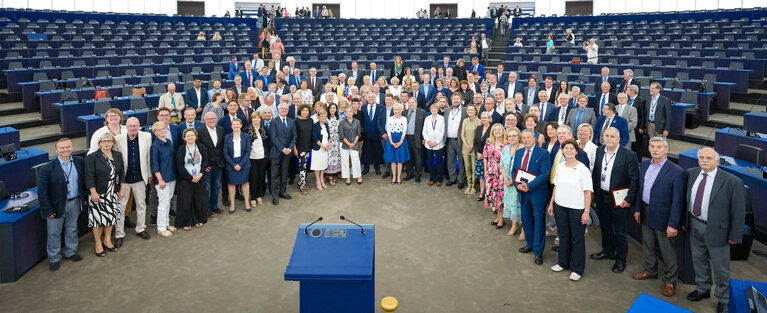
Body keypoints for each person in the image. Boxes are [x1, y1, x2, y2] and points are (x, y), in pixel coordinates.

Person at [685, 148, 747, 313]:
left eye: (709, 158)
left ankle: (723, 299)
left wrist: (735, 235)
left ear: (717, 161)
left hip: (718, 230)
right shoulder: (690, 174)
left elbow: (738, 212)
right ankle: (702, 288)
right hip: (694, 223)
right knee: (698, 260)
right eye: (701, 157)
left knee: (721, 268)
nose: (705, 160)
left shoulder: (732, 182)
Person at [632, 137, 686, 297]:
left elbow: (678, 202)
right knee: (648, 244)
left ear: (666, 150)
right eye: (652, 146)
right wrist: (637, 209)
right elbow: (640, 190)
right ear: (648, 148)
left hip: (665, 217)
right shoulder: (645, 165)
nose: (655, 149)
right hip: (645, 211)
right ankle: (650, 270)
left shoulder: (677, 172)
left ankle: (670, 281)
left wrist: (673, 224)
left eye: (659, 147)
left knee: (667, 250)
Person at [590, 127, 639, 274]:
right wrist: (593, 193)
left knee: (620, 231)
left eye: (612, 136)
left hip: (620, 199)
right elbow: (596, 173)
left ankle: (621, 260)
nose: (609, 138)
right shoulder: (599, 151)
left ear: (619, 139)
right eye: (607, 136)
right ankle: (608, 251)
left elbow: (634, 180)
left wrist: (629, 199)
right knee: (605, 227)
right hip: (602, 196)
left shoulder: (629, 155)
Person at [547, 139, 592, 281]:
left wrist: (586, 211)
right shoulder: (560, 167)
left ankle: (577, 269)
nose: (568, 151)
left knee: (577, 239)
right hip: (560, 206)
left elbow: (587, 193)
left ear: (576, 151)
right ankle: (562, 263)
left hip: (577, 209)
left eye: (571, 148)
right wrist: (551, 203)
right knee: (563, 236)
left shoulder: (582, 169)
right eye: (566, 148)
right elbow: (556, 186)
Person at [38, 138, 85, 271]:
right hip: (56, 205)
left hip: (75, 201)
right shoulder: (47, 168)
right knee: (54, 233)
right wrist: (47, 210)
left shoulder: (79, 162)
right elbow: (42, 192)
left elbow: (83, 182)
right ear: (56, 150)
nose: (65, 150)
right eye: (62, 148)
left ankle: (70, 252)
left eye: (68, 147)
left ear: (72, 147)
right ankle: (54, 258)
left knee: (72, 229)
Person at [513, 130, 552, 265]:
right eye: (523, 138)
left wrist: (529, 186)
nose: (526, 140)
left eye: (528, 137)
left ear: (534, 138)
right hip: (522, 193)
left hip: (537, 193)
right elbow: (514, 171)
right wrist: (517, 184)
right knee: (526, 220)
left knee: (539, 223)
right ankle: (529, 244)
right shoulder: (518, 153)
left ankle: (538, 251)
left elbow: (545, 174)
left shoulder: (543, 153)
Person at [84, 133, 125, 256]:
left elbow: (121, 173)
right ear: (99, 143)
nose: (106, 143)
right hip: (98, 193)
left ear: (113, 143)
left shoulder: (117, 155)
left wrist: (122, 188)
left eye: (109, 140)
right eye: (104, 141)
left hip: (113, 192)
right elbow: (89, 176)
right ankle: (98, 243)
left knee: (110, 217)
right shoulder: (92, 157)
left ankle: (107, 240)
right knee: (98, 219)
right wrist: (93, 192)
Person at [113, 117, 152, 246]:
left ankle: (141, 229)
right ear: (126, 126)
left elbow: (148, 157)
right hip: (124, 180)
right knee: (121, 207)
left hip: (140, 177)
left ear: (139, 125)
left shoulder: (146, 136)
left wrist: (150, 174)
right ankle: (119, 234)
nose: (133, 128)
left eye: (135, 126)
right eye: (130, 126)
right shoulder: (118, 139)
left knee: (141, 204)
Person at [175, 128, 207, 230]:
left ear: (196, 136)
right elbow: (179, 166)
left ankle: (198, 220)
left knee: (199, 200)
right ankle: (186, 222)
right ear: (184, 138)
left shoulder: (201, 147)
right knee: (186, 201)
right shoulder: (181, 150)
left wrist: (201, 174)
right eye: (188, 136)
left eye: (192, 135)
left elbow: (205, 162)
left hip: (199, 178)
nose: (190, 137)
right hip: (186, 179)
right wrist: (190, 177)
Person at [150, 122, 177, 237]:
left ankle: (166, 223)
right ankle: (161, 228)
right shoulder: (155, 146)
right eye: (158, 130)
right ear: (155, 133)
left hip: (172, 176)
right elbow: (154, 165)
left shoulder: (169, 142)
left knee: (168, 201)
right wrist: (160, 180)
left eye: (163, 129)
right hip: (162, 179)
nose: (162, 131)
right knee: (163, 203)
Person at [269, 103, 297, 205]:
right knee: (275, 175)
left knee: (284, 174)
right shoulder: (274, 122)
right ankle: (275, 195)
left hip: (287, 153)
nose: (284, 110)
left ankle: (283, 192)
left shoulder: (291, 121)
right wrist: (282, 149)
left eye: (286, 109)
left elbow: (294, 136)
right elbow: (273, 137)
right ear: (278, 109)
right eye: (282, 109)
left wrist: (289, 148)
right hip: (276, 152)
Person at [198, 112, 225, 216]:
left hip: (218, 164)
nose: (211, 120)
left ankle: (214, 206)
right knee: (207, 188)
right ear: (204, 120)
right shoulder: (200, 132)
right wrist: (203, 165)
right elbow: (199, 150)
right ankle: (207, 209)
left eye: (213, 118)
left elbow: (222, 146)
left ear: (216, 119)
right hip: (207, 166)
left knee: (217, 186)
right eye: (208, 119)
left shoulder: (221, 130)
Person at [224, 119, 251, 213]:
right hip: (231, 164)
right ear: (231, 126)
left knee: (245, 183)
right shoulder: (227, 137)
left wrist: (240, 164)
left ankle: (247, 202)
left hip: (244, 163)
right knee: (231, 184)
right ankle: (232, 204)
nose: (236, 126)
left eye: (237, 124)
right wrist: (233, 164)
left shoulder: (246, 136)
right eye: (234, 124)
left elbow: (248, 151)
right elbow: (225, 153)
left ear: (241, 125)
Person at [501, 127, 523, 238]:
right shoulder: (505, 149)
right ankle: (514, 225)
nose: (511, 138)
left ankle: (524, 228)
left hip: (519, 183)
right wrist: (506, 179)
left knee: (521, 205)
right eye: (509, 136)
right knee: (512, 204)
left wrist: (513, 181)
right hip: (507, 183)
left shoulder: (523, 149)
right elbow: (502, 166)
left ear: (519, 137)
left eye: (514, 136)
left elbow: (524, 169)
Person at [485, 123, 507, 228]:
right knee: (493, 196)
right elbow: (485, 157)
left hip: (502, 173)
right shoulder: (489, 142)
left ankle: (502, 219)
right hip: (491, 173)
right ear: (492, 132)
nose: (497, 131)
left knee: (500, 196)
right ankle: (498, 216)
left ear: (503, 131)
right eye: (495, 130)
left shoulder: (507, 144)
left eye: (499, 129)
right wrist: (486, 171)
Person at [246, 111, 269, 207]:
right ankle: (253, 197)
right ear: (251, 119)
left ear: (261, 119)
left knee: (261, 176)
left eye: (258, 118)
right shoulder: (246, 129)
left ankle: (259, 195)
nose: (256, 120)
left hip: (263, 156)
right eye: (254, 118)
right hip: (252, 157)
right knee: (254, 177)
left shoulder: (264, 128)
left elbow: (267, 142)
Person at [383, 103, 410, 184]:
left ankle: (399, 177)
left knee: (400, 160)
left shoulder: (404, 119)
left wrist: (400, 142)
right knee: (393, 160)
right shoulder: (389, 118)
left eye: (398, 109)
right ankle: (394, 176)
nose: (397, 111)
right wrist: (391, 142)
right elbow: (388, 131)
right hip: (391, 141)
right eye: (395, 110)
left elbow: (404, 131)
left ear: (401, 110)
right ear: (393, 110)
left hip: (401, 141)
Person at [445, 94, 467, 189]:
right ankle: (452, 178)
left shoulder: (465, 111)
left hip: (460, 140)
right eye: (454, 99)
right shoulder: (447, 110)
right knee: (450, 161)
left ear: (461, 100)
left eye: (458, 99)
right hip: (449, 140)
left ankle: (461, 180)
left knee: (461, 161)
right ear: (451, 100)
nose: (456, 100)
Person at [361, 93, 386, 175]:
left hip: (377, 133)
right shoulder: (363, 107)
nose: (371, 98)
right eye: (369, 97)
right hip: (366, 134)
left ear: (375, 98)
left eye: (372, 97)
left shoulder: (381, 107)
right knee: (366, 152)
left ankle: (377, 168)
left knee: (377, 152)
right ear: (367, 98)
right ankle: (366, 168)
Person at [403, 98, 426, 183]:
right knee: (408, 158)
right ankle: (409, 174)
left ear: (416, 103)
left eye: (413, 102)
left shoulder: (422, 112)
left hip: (418, 138)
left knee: (418, 159)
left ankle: (417, 175)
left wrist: (424, 138)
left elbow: (425, 126)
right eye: (409, 103)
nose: (411, 104)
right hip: (406, 138)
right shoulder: (404, 112)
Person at [339, 105, 363, 185]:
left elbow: (358, 133)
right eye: (347, 112)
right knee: (345, 161)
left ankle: (358, 176)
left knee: (356, 160)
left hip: (354, 144)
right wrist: (348, 143)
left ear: (353, 113)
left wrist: (354, 143)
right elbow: (341, 135)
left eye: (350, 111)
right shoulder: (342, 122)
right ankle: (347, 177)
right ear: (345, 113)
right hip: (345, 145)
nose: (349, 113)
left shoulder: (357, 122)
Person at [423, 104, 445, 186]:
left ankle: (439, 179)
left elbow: (443, 132)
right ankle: (432, 178)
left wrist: (436, 142)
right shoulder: (427, 118)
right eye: (432, 108)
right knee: (431, 162)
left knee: (439, 162)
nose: (434, 110)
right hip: (428, 144)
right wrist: (428, 141)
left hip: (438, 144)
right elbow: (424, 131)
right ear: (430, 109)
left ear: (438, 109)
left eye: (435, 108)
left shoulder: (442, 119)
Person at [294, 104, 313, 194]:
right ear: (300, 111)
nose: (305, 112)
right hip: (300, 147)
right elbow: (293, 136)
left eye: (307, 110)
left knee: (305, 165)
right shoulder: (296, 121)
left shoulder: (310, 120)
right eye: (303, 110)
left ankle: (301, 181)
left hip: (308, 146)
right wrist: (294, 148)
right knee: (302, 166)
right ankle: (303, 185)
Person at [460, 105, 480, 193]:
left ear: (475, 111)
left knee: (474, 168)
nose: (470, 111)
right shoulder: (465, 120)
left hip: (474, 147)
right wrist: (467, 145)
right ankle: (469, 185)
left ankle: (473, 186)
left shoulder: (479, 121)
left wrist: (471, 145)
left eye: (472, 110)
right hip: (465, 147)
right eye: (469, 110)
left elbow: (478, 135)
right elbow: (462, 135)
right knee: (467, 167)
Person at [474, 112, 492, 200]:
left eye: (485, 118)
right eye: (482, 118)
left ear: (489, 119)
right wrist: (477, 153)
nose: (483, 119)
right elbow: (475, 142)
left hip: (489, 157)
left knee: (488, 176)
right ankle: (482, 193)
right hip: (479, 156)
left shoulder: (492, 129)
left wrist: (485, 155)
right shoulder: (478, 128)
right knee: (481, 176)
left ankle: (489, 193)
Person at [310, 110, 330, 190]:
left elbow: (329, 136)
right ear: (318, 117)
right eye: (322, 116)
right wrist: (323, 146)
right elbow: (315, 138)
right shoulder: (315, 125)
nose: (323, 117)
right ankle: (317, 181)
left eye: (325, 116)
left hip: (325, 148)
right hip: (318, 148)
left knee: (323, 164)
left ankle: (322, 179)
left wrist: (328, 145)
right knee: (317, 165)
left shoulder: (326, 125)